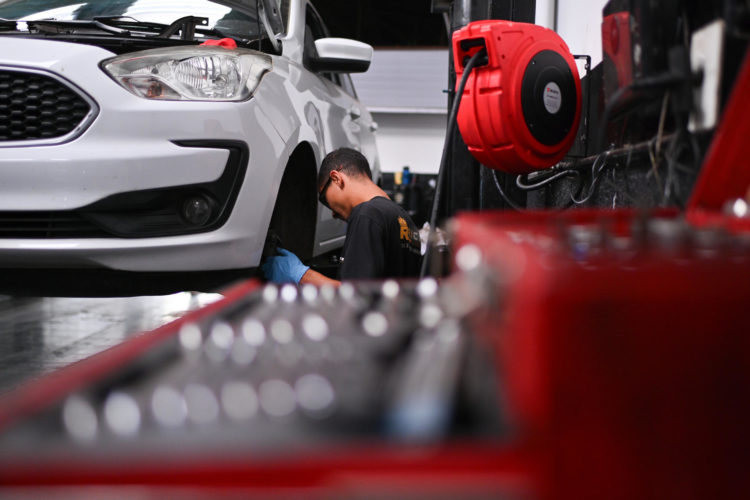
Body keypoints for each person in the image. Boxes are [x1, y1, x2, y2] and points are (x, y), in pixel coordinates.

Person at [262, 148, 422, 286]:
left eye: (324, 198)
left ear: (336, 178)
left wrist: (301, 275)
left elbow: (354, 294)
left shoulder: (367, 215)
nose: (333, 213)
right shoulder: (404, 219)